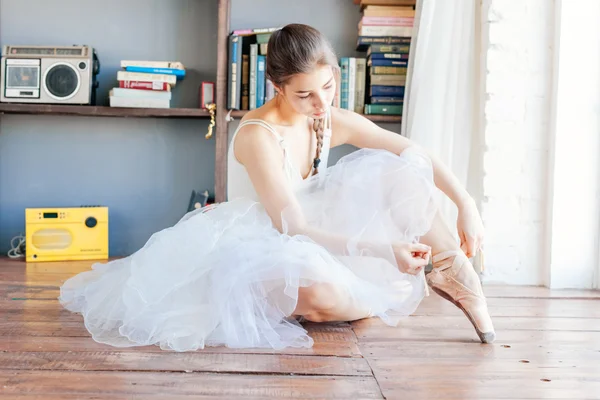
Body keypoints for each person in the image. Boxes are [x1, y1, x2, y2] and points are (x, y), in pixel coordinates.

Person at [59, 23, 495, 352]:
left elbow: (413, 151)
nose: (321, 104)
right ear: (278, 87)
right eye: (305, 95)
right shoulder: (257, 135)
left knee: (395, 167)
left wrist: (465, 203)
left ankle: (456, 275)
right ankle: (369, 297)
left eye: (329, 85)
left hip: (323, 228)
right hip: (268, 240)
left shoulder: (328, 116)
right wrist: (384, 249)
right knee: (318, 295)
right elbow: (294, 229)